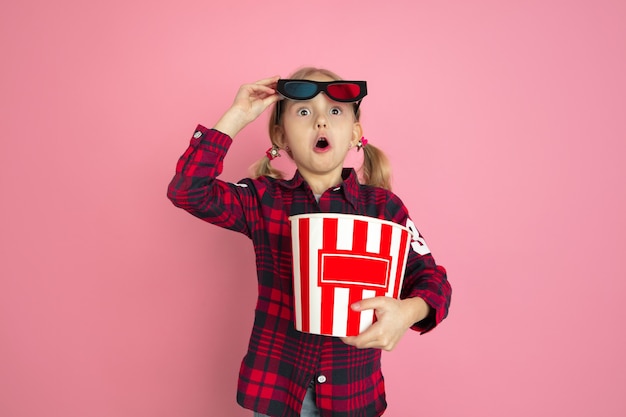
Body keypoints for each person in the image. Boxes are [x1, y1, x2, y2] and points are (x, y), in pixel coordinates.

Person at [167, 67, 452, 417]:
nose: (321, 122)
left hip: (354, 397)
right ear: (281, 136)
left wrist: (408, 312)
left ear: (354, 134)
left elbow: (434, 280)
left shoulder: (383, 208)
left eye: (335, 112)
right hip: (277, 393)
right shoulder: (262, 199)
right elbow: (188, 191)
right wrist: (237, 116)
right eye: (304, 112)